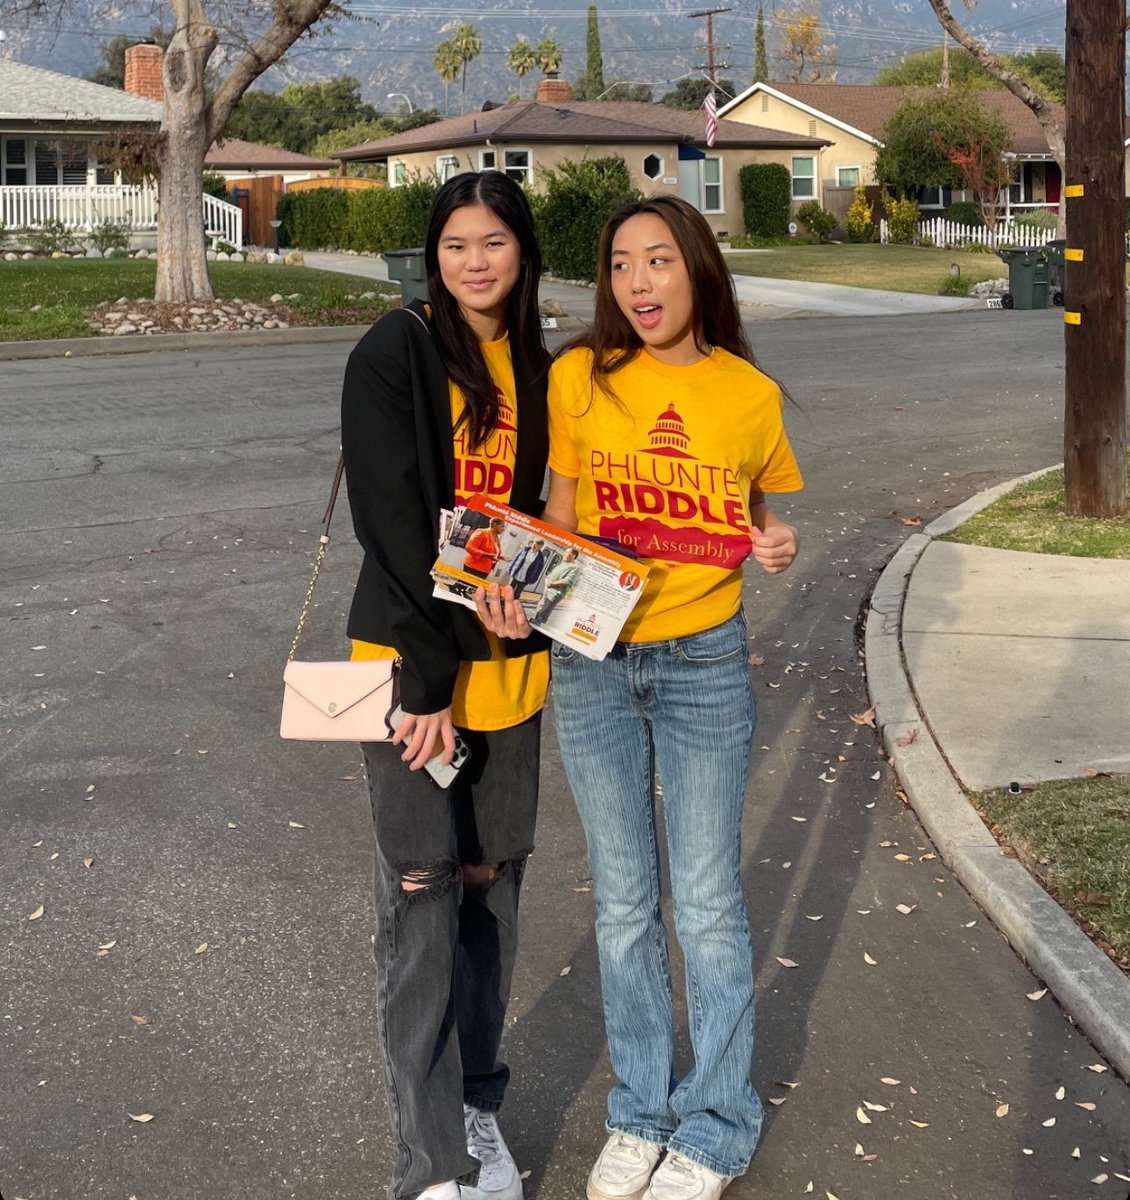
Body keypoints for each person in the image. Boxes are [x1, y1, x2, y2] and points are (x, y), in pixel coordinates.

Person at [476, 195, 802, 1200]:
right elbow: (561, 515)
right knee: (621, 903)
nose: (638, 284)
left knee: (702, 903)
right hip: (593, 659)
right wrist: (516, 591)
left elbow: (756, 517)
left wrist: (773, 543)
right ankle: (641, 1112)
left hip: (704, 659)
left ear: (698, 270)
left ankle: (713, 1124)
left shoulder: (749, 395)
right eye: (620, 265)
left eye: (657, 261)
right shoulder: (579, 376)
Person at [340, 171, 551, 1200]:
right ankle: (429, 1166)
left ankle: (477, 1113)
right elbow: (389, 524)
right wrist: (424, 683)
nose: (474, 261)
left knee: (489, 895)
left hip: (510, 673)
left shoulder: (539, 363)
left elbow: (534, 528)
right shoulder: (394, 351)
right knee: (419, 900)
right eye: (456, 243)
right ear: (433, 254)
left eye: (494, 243)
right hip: (409, 675)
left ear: (522, 251)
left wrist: (542, 605)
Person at [532, 547, 581, 623]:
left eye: (568, 553)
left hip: (556, 592)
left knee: (546, 609)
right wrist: (547, 581)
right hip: (547, 589)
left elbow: (568, 581)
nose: (565, 554)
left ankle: (537, 623)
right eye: (565, 552)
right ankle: (535, 620)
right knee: (541, 606)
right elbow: (550, 574)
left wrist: (551, 584)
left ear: (573, 556)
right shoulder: (562, 564)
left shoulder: (575, 568)